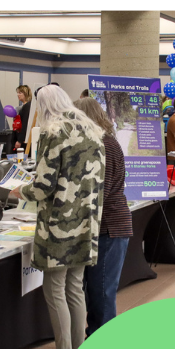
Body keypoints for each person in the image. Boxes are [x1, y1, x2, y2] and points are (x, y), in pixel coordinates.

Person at [9, 85, 104, 349]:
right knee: (75, 288)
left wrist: (17, 190)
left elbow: (43, 186)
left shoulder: (52, 132)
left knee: (54, 290)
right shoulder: (92, 130)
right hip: (87, 223)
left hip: (59, 228)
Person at [73, 97, 131, 336]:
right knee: (98, 290)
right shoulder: (107, 141)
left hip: (109, 226)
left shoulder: (102, 145)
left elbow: (99, 191)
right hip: (110, 224)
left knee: (102, 291)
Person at [13, 85, 34, 153]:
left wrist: (20, 140)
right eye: (18, 93)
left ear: (25, 94)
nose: (18, 95)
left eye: (20, 93)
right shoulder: (24, 106)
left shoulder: (27, 107)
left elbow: (25, 124)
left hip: (24, 139)